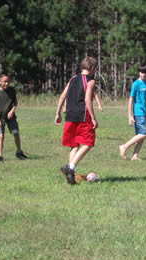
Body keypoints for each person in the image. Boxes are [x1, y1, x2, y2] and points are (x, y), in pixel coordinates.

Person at [55, 57, 98, 185]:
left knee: (74, 145)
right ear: (92, 68)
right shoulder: (90, 81)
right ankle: (71, 167)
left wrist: (57, 113)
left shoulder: (72, 79)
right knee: (88, 142)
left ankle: (71, 177)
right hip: (83, 115)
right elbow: (87, 100)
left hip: (69, 115)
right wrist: (94, 118)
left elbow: (62, 96)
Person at [0, 74, 28, 162]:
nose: (7, 83)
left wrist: (12, 111)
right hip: (1, 118)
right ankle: (0, 156)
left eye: (8, 81)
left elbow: (15, 104)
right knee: (1, 136)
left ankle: (19, 152)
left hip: (11, 118)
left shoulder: (12, 90)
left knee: (16, 133)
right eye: (4, 82)